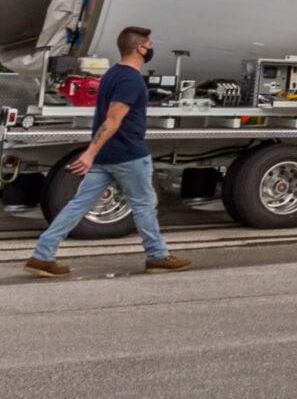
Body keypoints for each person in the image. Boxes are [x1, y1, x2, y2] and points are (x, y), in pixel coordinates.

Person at [26, 26, 192, 277]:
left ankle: (42, 255)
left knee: (78, 204)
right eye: (149, 45)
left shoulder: (112, 74)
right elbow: (113, 119)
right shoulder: (130, 80)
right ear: (140, 48)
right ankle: (157, 256)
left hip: (107, 156)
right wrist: (90, 153)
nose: (151, 49)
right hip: (128, 154)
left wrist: (96, 153)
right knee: (145, 204)